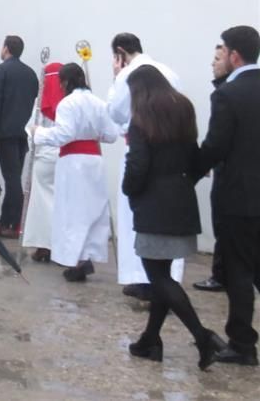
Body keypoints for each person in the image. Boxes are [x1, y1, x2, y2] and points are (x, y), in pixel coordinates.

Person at [122, 65, 225, 369]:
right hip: (181, 199)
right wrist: (182, 182)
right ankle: (150, 340)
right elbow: (195, 156)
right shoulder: (183, 109)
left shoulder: (140, 119)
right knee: (162, 275)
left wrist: (130, 190)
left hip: (153, 204)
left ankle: (204, 338)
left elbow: (137, 165)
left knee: (158, 277)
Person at [199, 25, 260, 366]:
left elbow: (215, 146)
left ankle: (242, 343)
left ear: (235, 56)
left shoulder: (228, 95)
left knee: (238, 272)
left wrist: (189, 170)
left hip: (238, 198)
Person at [106, 32, 183, 301]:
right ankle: (167, 278)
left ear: (119, 53)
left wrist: (115, 78)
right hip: (169, 152)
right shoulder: (169, 72)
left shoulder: (130, 75)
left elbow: (115, 113)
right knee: (163, 218)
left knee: (133, 217)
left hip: (138, 147)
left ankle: (141, 278)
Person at [33, 64, 118, 281]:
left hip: (73, 161)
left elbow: (64, 135)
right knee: (91, 210)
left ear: (65, 82)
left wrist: (39, 133)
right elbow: (110, 135)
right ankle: (85, 256)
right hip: (94, 160)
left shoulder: (67, 104)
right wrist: (90, 131)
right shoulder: (99, 103)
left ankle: (77, 259)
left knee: (73, 211)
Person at [0, 35, 39, 238]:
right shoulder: (31, 74)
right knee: (15, 176)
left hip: (5, 132)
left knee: (12, 178)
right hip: (24, 132)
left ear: (6, 48)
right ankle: (12, 220)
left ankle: (10, 223)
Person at [193, 45, 230, 293]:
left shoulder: (227, 93)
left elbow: (220, 138)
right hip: (227, 168)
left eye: (217, 59)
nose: (212, 64)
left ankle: (222, 275)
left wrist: (201, 163)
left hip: (231, 172)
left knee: (225, 224)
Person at [21, 61, 64, 263]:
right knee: (61, 202)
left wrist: (34, 142)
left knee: (42, 204)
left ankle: (44, 246)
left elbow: (31, 128)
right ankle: (62, 246)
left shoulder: (41, 100)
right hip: (64, 156)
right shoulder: (69, 100)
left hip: (45, 156)